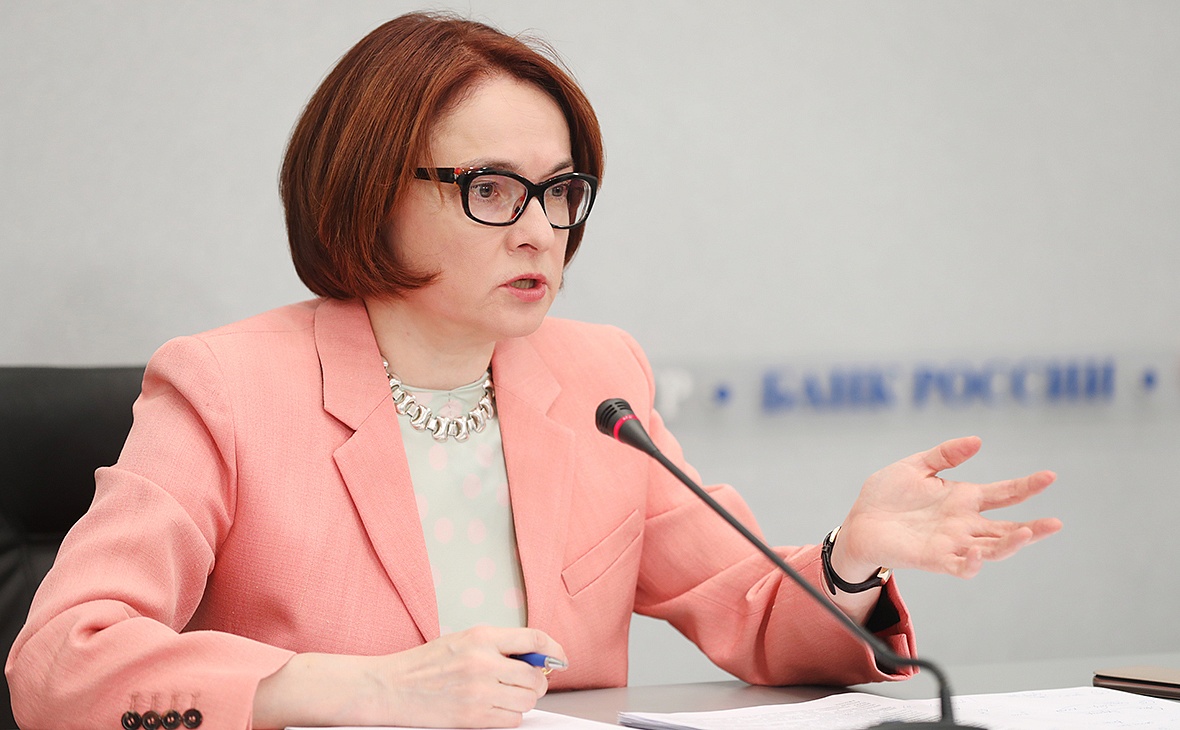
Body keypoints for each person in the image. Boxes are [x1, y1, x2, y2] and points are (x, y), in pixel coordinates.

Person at [5, 11, 1061, 730]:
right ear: (371, 190)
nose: (540, 231)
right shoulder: (225, 388)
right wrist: (358, 690)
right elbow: (61, 660)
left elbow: (746, 612)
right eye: (491, 189)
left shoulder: (596, 376)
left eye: (560, 191)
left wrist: (848, 560)